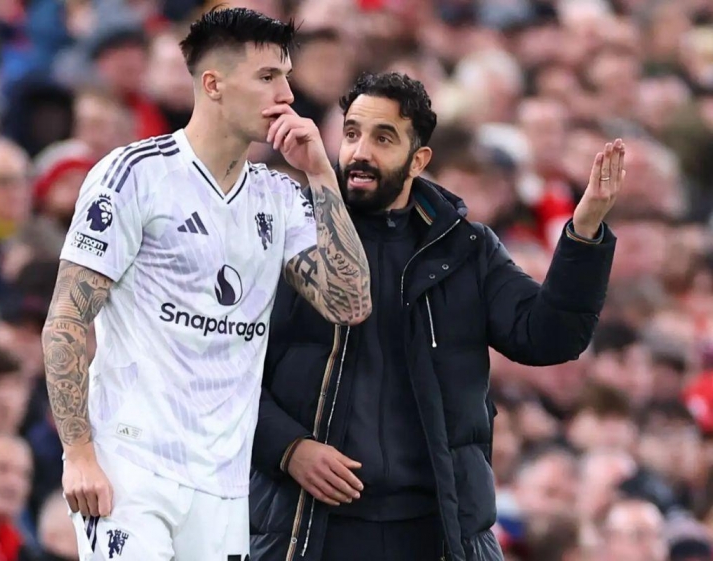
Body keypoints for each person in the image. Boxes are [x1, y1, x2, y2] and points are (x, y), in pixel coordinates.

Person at [42, 7, 371, 561]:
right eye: (267, 76)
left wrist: (320, 175)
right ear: (213, 84)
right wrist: (78, 453)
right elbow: (67, 319)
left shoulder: (278, 194)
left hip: (224, 482)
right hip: (132, 467)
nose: (287, 94)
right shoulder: (135, 175)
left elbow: (350, 302)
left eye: (286, 76)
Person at [249, 72, 622, 561]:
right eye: (353, 133)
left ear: (418, 159)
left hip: (438, 530)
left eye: (383, 138)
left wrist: (585, 230)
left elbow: (549, 336)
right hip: (309, 525)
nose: (360, 152)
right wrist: (288, 448)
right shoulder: (290, 232)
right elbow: (226, 367)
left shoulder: (465, 248)